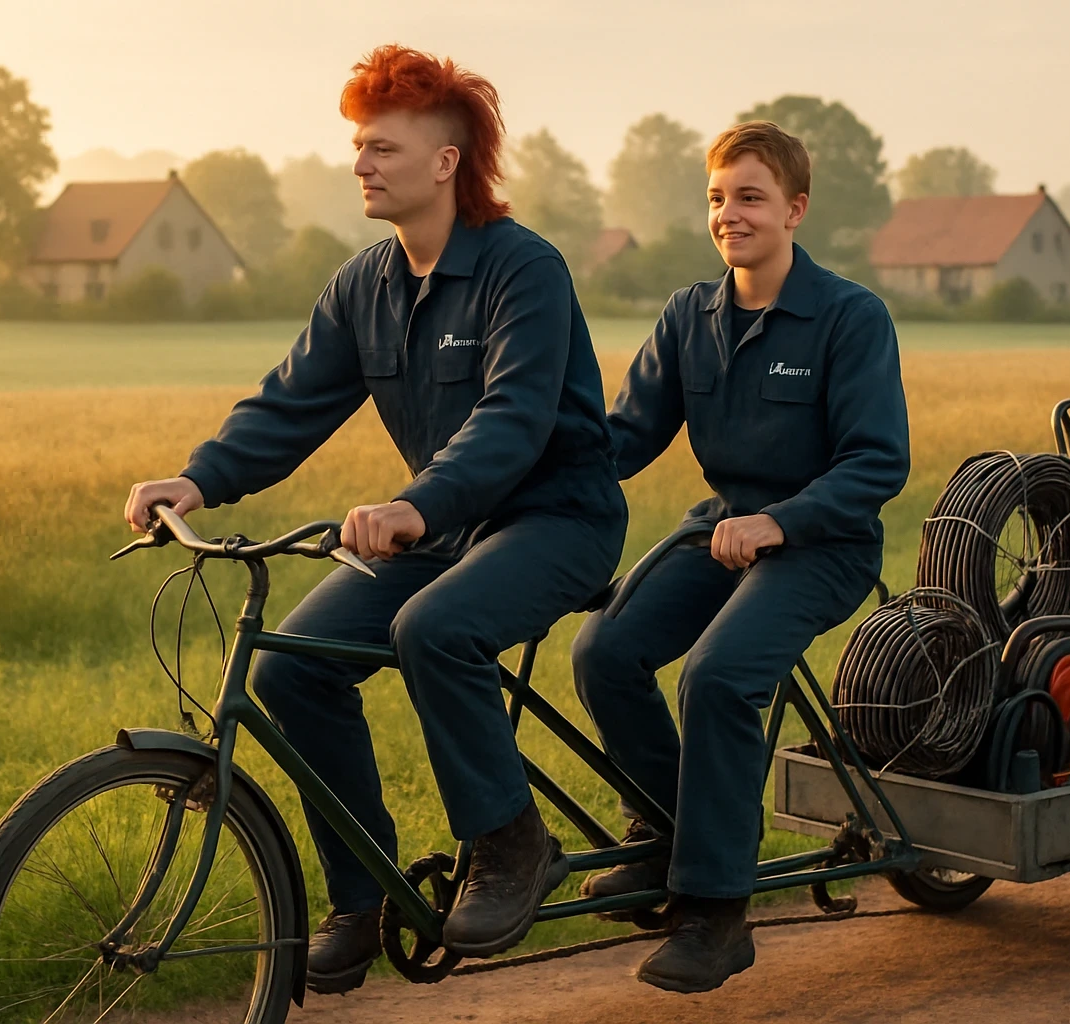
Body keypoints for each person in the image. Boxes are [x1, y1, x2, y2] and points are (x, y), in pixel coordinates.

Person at [122, 46, 627, 996]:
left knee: (433, 627)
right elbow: (288, 403)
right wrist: (197, 480)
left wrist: (414, 504)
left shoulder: (525, 270)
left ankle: (509, 844)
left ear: (445, 161)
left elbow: (513, 421)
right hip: (443, 531)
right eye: (357, 144)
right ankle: (364, 897)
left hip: (557, 520)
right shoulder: (366, 284)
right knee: (291, 664)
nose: (360, 162)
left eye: (382, 147)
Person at [570, 121, 910, 993]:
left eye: (751, 197)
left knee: (718, 678)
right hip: (719, 530)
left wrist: (780, 523)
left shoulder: (849, 316)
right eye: (718, 199)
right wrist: (519, 481)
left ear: (795, 209)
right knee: (604, 650)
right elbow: (624, 434)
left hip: (822, 544)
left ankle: (717, 912)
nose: (730, 215)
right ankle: (664, 832)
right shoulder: (691, 315)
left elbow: (878, 462)